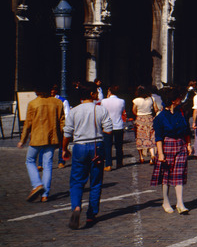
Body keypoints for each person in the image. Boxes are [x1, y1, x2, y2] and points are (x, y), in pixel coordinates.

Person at [63, 81, 113, 229]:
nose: (98, 94)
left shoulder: (74, 111)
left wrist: (64, 148)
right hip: (96, 146)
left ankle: (76, 206)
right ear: (91, 94)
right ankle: (91, 214)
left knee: (77, 181)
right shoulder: (101, 110)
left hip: (79, 146)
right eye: (96, 92)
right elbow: (108, 130)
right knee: (96, 182)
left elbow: (67, 133)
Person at [18, 85, 65, 202]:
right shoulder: (57, 102)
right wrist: (61, 138)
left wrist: (23, 140)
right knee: (47, 164)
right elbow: (62, 123)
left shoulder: (33, 103)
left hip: (37, 137)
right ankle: (45, 194)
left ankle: (37, 184)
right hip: (52, 138)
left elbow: (27, 124)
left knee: (30, 160)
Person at [150, 86, 193, 214]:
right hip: (167, 145)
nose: (181, 99)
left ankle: (180, 203)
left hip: (180, 144)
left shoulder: (181, 113)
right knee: (166, 174)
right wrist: (160, 153)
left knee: (179, 173)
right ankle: (166, 201)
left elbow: (187, 130)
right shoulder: (161, 117)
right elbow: (158, 137)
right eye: (179, 98)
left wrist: (188, 144)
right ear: (173, 100)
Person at [100, 85, 126, 170]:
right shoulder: (122, 101)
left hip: (107, 126)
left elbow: (102, 112)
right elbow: (122, 111)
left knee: (107, 146)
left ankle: (108, 164)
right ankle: (119, 163)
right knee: (119, 146)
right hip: (118, 125)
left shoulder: (104, 101)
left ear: (109, 92)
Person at [132, 85, 158, 164]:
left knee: (140, 138)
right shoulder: (151, 99)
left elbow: (134, 110)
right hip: (149, 119)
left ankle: (141, 157)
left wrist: (138, 115)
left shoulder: (136, 100)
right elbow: (156, 109)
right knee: (151, 137)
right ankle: (152, 155)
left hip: (140, 120)